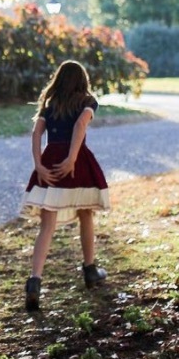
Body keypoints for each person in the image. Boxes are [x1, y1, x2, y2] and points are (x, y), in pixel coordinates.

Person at [21, 59, 110, 312]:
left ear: (58, 80)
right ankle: (90, 269)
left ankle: (35, 282)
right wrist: (72, 158)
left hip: (50, 159)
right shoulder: (88, 102)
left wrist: (38, 164)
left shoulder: (50, 105)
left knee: (47, 225)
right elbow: (81, 124)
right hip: (77, 160)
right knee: (86, 215)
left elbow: (37, 134)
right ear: (82, 81)